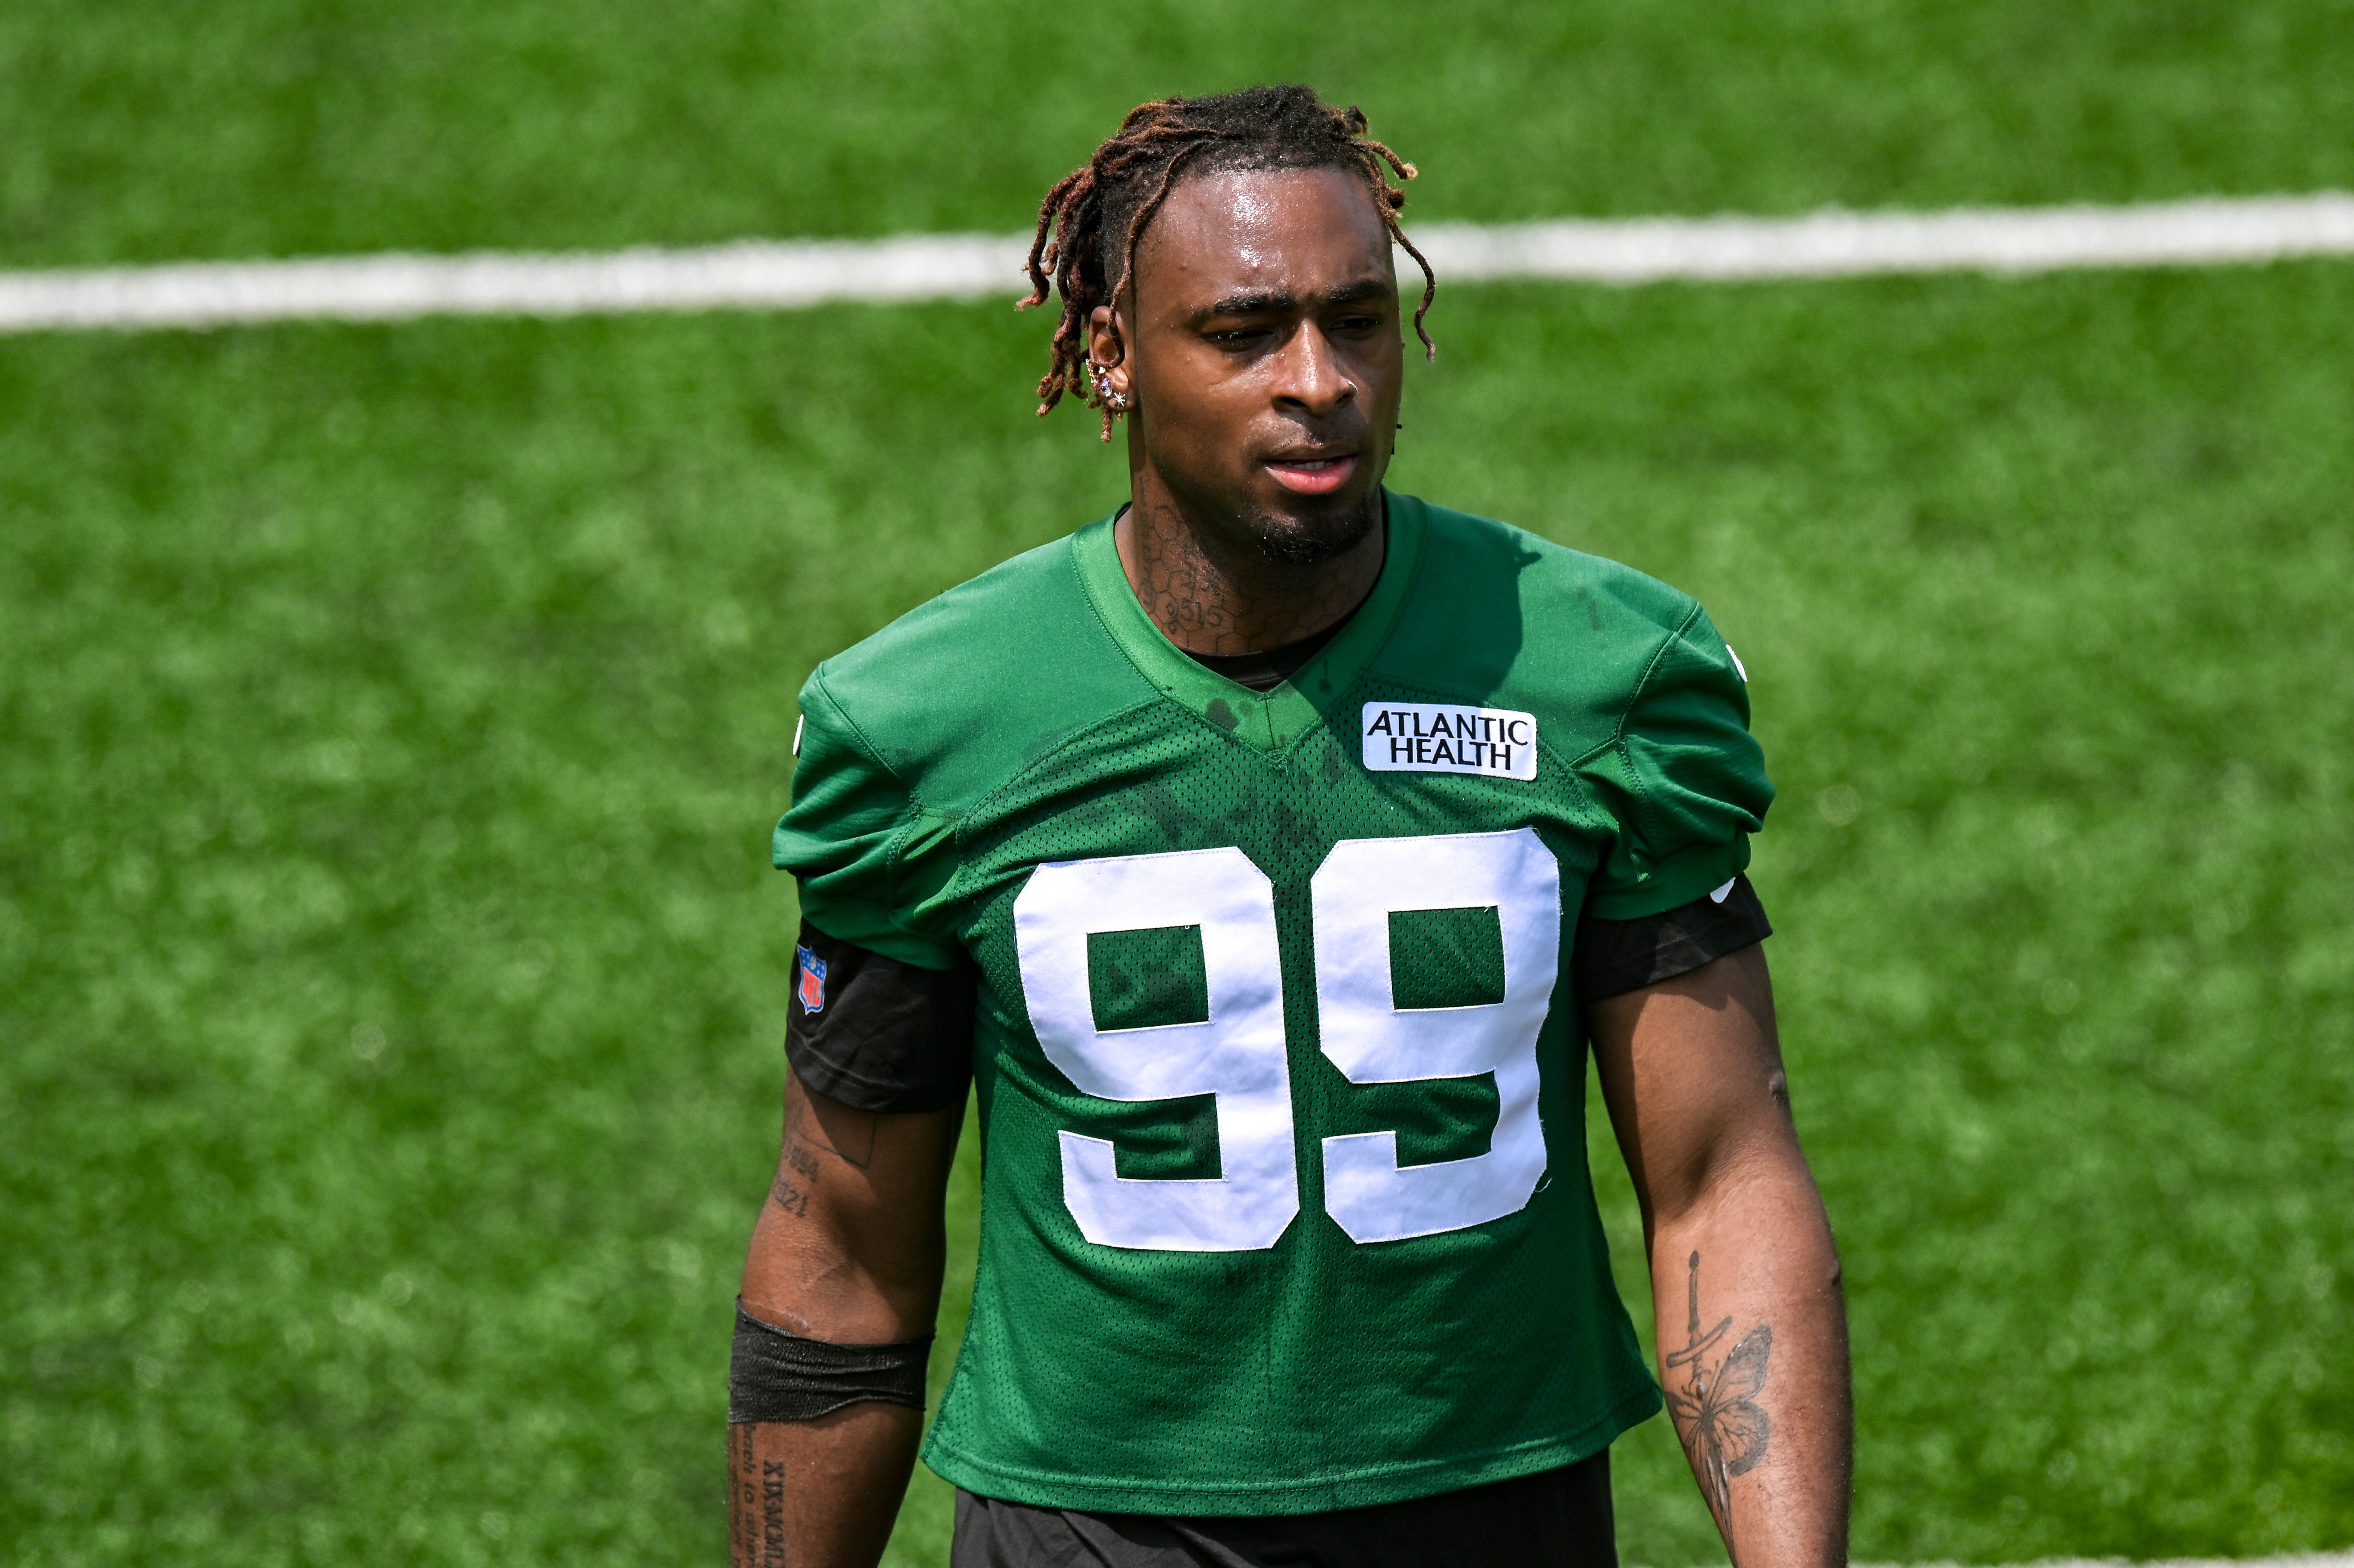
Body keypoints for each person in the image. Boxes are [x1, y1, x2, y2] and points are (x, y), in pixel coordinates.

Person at [728, 84, 1850, 1568]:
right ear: (1114, 357)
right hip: (1090, 1533)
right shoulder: (928, 726)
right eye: (1246, 330)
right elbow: (842, 1254)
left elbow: (1722, 1176)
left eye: (1359, 320)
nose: (1319, 378)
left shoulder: (1600, 675)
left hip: (1496, 1520)